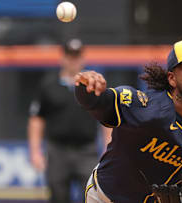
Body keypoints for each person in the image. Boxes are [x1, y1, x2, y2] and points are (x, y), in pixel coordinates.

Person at [75, 37, 182, 203]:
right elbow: (99, 102)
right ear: (172, 78)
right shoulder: (148, 107)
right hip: (107, 197)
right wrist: (87, 87)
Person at [27, 38, 111, 203]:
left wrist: (108, 148)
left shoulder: (94, 86)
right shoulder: (48, 85)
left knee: (91, 197)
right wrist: (35, 152)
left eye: (76, 56)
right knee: (58, 196)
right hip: (57, 151)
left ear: (82, 58)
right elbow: (37, 119)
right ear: (63, 58)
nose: (73, 60)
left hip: (87, 151)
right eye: (70, 56)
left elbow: (106, 117)